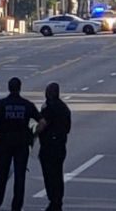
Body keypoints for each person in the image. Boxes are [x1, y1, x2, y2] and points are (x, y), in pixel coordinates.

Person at [0, 77, 46, 211]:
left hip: (4, 143)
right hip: (22, 144)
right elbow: (42, 122)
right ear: (20, 88)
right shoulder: (27, 105)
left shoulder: (0, 104)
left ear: (9, 88)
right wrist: (34, 135)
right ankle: (16, 206)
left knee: (1, 176)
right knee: (20, 177)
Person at [38, 82, 72, 211]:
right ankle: (58, 200)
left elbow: (42, 125)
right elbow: (68, 128)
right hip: (60, 145)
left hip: (48, 145)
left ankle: (53, 200)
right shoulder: (64, 108)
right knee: (58, 174)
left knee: (49, 174)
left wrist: (33, 132)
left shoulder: (48, 107)